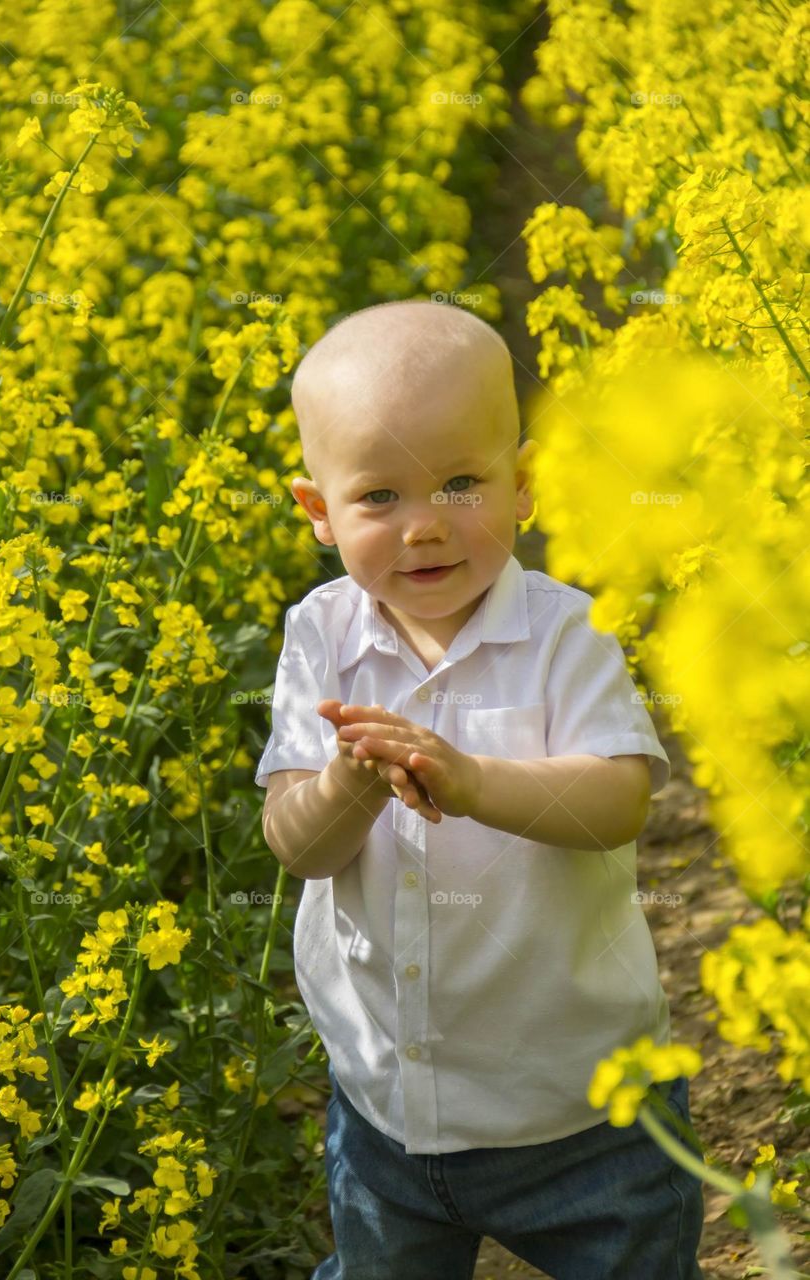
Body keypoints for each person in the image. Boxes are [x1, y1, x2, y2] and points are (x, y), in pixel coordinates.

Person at [254, 299, 706, 1279]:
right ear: (318, 512)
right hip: (385, 1106)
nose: (423, 526)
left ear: (523, 483)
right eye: (378, 496)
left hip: (585, 1112)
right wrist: (350, 783)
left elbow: (616, 801)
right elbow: (297, 844)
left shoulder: (565, 631)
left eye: (460, 483)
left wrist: (469, 780)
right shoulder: (319, 635)